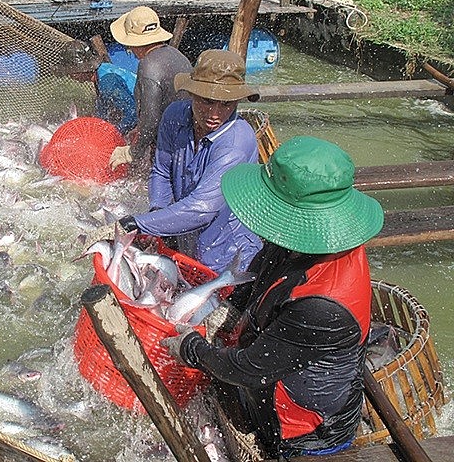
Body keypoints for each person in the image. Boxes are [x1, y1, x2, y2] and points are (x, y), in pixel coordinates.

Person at [161, 136, 385, 459]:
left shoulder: (322, 305)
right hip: (278, 368)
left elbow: (250, 368)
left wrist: (191, 349)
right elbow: (266, 261)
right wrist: (233, 305)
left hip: (306, 432)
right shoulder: (312, 238)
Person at [118, 49, 262, 273]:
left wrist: (140, 223)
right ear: (192, 94)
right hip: (186, 237)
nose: (215, 113)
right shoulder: (174, 115)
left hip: (226, 253)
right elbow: (162, 170)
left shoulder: (235, 144)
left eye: (226, 104)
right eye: (207, 101)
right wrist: (160, 214)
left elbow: (201, 210)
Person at [107, 6, 192, 171]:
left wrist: (133, 152)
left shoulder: (148, 66)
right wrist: (140, 130)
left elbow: (151, 118)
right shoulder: (176, 54)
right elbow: (170, 99)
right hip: (187, 139)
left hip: (169, 146)